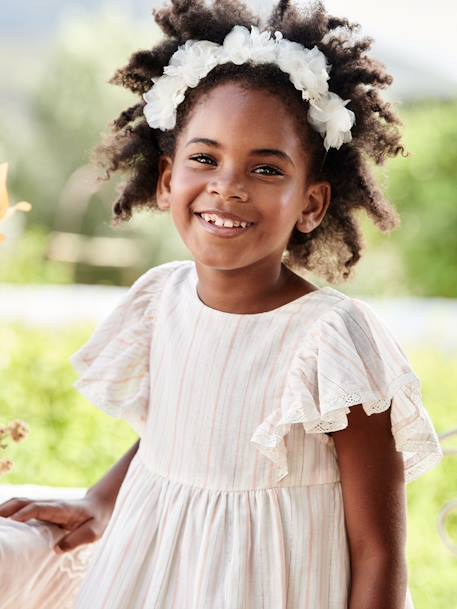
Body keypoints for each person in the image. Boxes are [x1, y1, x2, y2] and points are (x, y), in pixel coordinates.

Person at [0, 1, 444, 608]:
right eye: (204, 158)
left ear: (310, 205)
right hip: (150, 576)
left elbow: (378, 549)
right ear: (165, 177)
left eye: (265, 168)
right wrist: (100, 501)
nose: (227, 185)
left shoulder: (334, 340)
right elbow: (179, 435)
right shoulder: (161, 299)